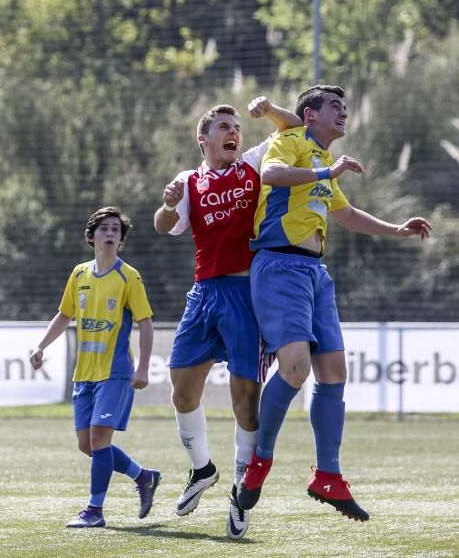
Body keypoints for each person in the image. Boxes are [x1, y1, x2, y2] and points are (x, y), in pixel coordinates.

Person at [237, 85, 432, 521]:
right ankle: (260, 461)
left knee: (334, 372)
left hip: (314, 274)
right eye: (335, 107)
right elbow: (271, 177)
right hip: (279, 266)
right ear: (309, 116)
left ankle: (328, 475)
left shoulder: (325, 159)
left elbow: (345, 214)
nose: (344, 113)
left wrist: (398, 229)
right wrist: (329, 174)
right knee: (295, 368)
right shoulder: (290, 141)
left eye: (345, 107)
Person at [154, 97, 302, 540]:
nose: (232, 131)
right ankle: (202, 469)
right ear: (204, 140)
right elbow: (165, 226)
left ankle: (241, 492)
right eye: (222, 125)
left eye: (235, 125)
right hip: (204, 293)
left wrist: (271, 109)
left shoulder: (255, 162)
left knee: (244, 400)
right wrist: (166, 205)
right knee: (180, 388)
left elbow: (294, 128)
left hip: (246, 294)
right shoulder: (188, 180)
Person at [30, 206, 161, 528]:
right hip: (84, 373)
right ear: (91, 236)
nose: (110, 234)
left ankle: (94, 511)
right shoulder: (79, 274)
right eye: (104, 228)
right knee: (87, 445)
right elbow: (65, 315)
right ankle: (143, 476)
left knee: (100, 440)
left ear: (120, 239)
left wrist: (142, 367)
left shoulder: (129, 276)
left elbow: (145, 323)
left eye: (116, 229)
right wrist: (40, 346)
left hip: (114, 372)